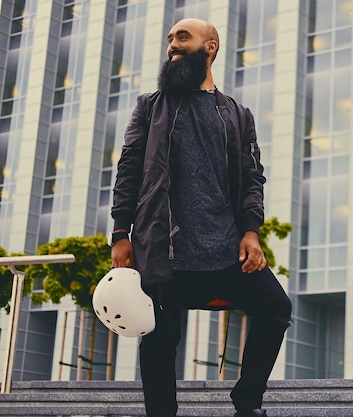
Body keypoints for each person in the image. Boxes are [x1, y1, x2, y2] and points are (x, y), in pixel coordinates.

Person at [110, 18, 292, 417]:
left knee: (276, 308)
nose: (173, 44)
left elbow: (252, 180)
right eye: (171, 39)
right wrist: (121, 232)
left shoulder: (238, 114)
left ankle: (247, 402)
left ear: (210, 47)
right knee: (160, 339)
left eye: (183, 37)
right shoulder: (150, 107)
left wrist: (251, 232)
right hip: (165, 249)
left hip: (225, 249)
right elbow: (129, 171)